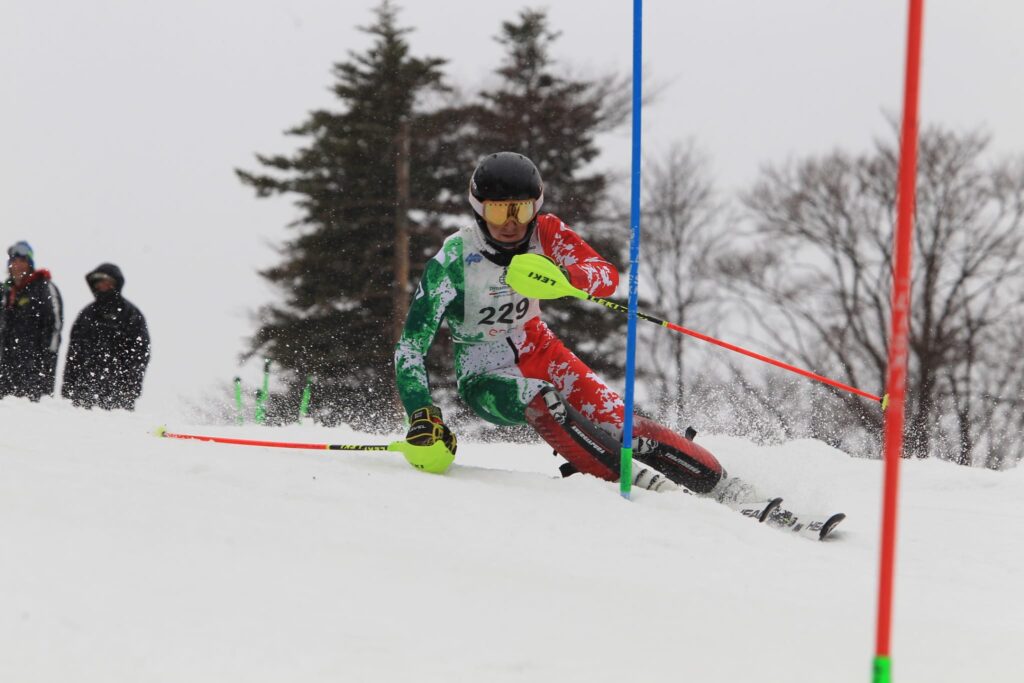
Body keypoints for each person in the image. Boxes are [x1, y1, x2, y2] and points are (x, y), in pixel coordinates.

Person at [394, 152, 752, 500]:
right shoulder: (454, 259)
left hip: (542, 350)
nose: (510, 222)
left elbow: (606, 277)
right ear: (478, 207)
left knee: (623, 423)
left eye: (521, 209)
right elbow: (411, 346)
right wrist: (422, 412)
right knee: (541, 399)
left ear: (536, 206)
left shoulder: (546, 233)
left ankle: (725, 487)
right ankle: (643, 489)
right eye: (498, 209)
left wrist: (564, 277)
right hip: (484, 375)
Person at [61, 263, 151, 411]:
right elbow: (73, 355)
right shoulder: (86, 315)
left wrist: (130, 389)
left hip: (119, 397)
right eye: (98, 282)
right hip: (83, 395)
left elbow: (140, 354)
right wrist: (68, 389)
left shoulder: (130, 314)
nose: (101, 285)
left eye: (106, 281)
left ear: (116, 283)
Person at [0, 241, 64, 401]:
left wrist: (43, 369)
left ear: (30, 264)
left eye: (22, 261)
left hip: (34, 377)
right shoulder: (5, 292)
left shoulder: (44, 288)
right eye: (14, 261)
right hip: (4, 375)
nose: (17, 265)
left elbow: (54, 328)